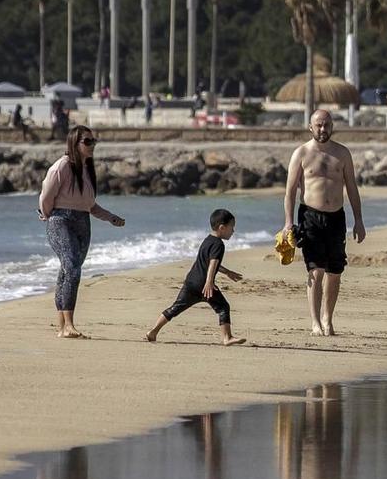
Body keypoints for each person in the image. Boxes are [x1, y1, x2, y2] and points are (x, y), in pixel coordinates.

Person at [281, 108, 365, 337]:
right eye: (318, 125)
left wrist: (359, 220)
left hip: (337, 217)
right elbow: (289, 192)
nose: (322, 129)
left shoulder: (342, 154)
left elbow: (352, 189)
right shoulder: (301, 154)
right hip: (310, 217)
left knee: (335, 272)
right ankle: (315, 322)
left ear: (332, 126)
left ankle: (328, 319)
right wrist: (288, 223)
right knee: (316, 270)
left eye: (326, 124)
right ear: (310, 127)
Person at [36, 124, 126, 339]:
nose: (92, 145)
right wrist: (48, 215)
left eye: (93, 141)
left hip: (83, 223)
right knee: (72, 269)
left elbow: (90, 205)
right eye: (87, 141)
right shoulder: (62, 166)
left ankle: (62, 327)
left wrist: (111, 217)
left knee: (67, 272)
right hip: (61, 222)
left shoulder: (87, 169)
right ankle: (69, 325)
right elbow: (46, 196)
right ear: (74, 144)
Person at [145, 208, 247, 346]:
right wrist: (209, 282)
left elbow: (209, 262)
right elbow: (213, 263)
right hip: (204, 285)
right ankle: (227, 337)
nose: (233, 231)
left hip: (191, 282)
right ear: (222, 228)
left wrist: (227, 272)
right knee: (223, 307)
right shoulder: (219, 244)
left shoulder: (207, 240)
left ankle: (153, 331)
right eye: (232, 227)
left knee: (175, 308)